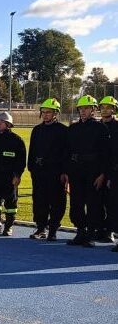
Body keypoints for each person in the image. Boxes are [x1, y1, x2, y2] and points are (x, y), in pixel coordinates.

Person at [66, 95, 110, 247]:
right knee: (76, 202)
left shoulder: (100, 128)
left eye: (86, 108)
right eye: (81, 108)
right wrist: (67, 172)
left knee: (93, 203)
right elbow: (67, 151)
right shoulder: (73, 128)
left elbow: (106, 154)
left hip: (93, 170)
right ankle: (80, 231)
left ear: (93, 110)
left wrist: (102, 174)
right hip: (76, 170)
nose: (83, 111)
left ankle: (91, 233)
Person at [28, 98, 69, 241]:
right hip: (39, 172)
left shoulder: (63, 131)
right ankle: (41, 227)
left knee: (57, 201)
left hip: (56, 172)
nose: (45, 115)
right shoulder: (37, 130)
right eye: (43, 112)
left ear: (55, 113)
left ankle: (53, 229)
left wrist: (65, 172)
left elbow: (66, 153)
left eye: (48, 112)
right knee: (39, 201)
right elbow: (32, 151)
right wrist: (31, 168)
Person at [99, 96, 118, 245]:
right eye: (103, 107)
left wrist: (111, 174)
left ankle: (110, 230)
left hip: (112, 171)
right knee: (96, 201)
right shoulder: (96, 126)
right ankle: (99, 229)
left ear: (113, 109)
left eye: (108, 107)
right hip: (95, 170)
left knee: (112, 203)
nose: (105, 110)